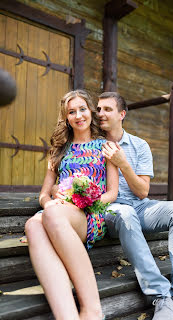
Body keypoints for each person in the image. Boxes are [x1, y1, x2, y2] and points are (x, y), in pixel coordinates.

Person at [97, 91, 173, 320]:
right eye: (99, 109)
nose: (100, 113)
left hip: (140, 206)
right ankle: (161, 295)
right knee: (125, 212)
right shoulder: (93, 145)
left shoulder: (139, 145)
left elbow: (143, 191)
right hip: (111, 211)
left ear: (122, 114)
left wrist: (123, 164)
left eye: (107, 109)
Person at [25, 90, 118, 320]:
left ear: (90, 111)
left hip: (89, 215)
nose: (78, 115)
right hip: (58, 212)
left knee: (53, 217)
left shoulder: (105, 146)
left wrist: (88, 201)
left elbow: (112, 193)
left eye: (82, 109)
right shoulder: (58, 151)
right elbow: (44, 195)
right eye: (71, 112)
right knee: (32, 226)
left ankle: (92, 310)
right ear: (66, 117)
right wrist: (50, 204)